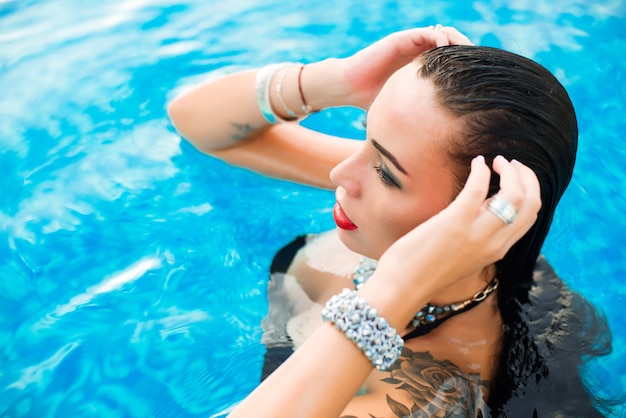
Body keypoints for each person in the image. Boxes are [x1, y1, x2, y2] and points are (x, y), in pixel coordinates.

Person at [168, 26, 616, 417]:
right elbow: (195, 123)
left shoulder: (428, 394)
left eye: (385, 171)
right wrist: (334, 81)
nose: (339, 173)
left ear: (476, 208)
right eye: (367, 134)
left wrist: (396, 289)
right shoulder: (386, 190)